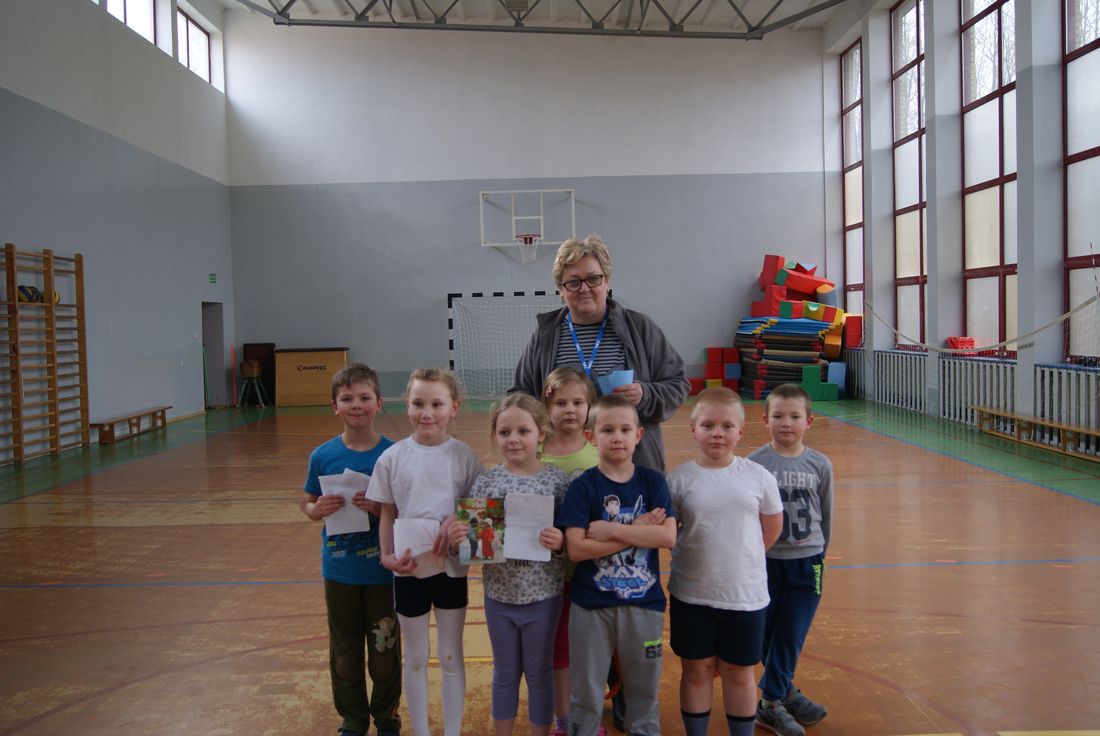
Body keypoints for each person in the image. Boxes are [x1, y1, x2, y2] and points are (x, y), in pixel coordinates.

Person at [366, 368, 484, 736]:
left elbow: (479, 511)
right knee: (416, 656)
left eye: (437, 404)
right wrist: (386, 556)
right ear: (407, 405)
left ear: (454, 407)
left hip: (451, 571)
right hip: (408, 571)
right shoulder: (392, 458)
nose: (427, 413)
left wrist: (459, 518)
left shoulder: (464, 456)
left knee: (450, 654)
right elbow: (387, 513)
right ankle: (421, 731)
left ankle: (451, 731)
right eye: (418, 404)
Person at [512, 234, 689, 473]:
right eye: (573, 282)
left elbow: (678, 384)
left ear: (607, 281)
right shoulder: (546, 335)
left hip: (630, 468)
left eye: (593, 278)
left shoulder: (639, 328)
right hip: (562, 468)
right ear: (561, 289)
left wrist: (645, 395)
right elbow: (520, 394)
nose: (584, 288)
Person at [447, 393, 569, 736]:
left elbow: (571, 538)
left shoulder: (557, 482)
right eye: (504, 432)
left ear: (541, 433)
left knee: (539, 673)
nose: (513, 439)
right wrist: (460, 540)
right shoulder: (487, 482)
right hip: (498, 597)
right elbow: (472, 547)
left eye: (523, 431)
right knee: (504, 673)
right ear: (495, 435)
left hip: (544, 597)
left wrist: (560, 542)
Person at [666, 387, 783, 736]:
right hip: (692, 595)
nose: (717, 433)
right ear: (693, 430)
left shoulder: (758, 476)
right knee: (696, 669)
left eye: (727, 426)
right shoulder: (679, 479)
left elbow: (772, 528)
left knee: (739, 671)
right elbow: (668, 531)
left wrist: (742, 560)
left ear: (740, 431)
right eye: (708, 425)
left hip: (744, 597)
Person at [558, 394, 677, 736]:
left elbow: (667, 536)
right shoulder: (583, 486)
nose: (617, 437)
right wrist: (639, 532)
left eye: (625, 429)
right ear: (591, 436)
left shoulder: (653, 482)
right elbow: (576, 549)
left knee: (644, 690)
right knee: (586, 693)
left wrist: (613, 530)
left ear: (638, 435)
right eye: (607, 430)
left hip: (644, 605)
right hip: (590, 607)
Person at [301, 363, 402, 736]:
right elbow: (307, 502)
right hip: (339, 572)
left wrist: (378, 508)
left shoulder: (393, 454)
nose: (356, 405)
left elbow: (405, 511)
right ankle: (353, 719)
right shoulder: (322, 455)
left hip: (382, 572)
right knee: (344, 653)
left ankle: (386, 718)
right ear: (335, 406)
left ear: (379, 403)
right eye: (347, 399)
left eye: (364, 397)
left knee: (384, 649)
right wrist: (316, 510)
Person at [748, 383, 835, 736]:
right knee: (766, 632)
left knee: (792, 631)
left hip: (807, 561)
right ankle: (786, 692)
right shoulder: (754, 464)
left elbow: (826, 514)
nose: (786, 423)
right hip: (766, 560)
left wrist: (820, 555)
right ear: (765, 419)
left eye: (795, 416)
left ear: (808, 421)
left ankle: (770, 701)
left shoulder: (820, 464)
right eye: (779, 416)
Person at [539, 367, 599, 736]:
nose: (570, 410)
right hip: (545, 575)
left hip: (590, 572)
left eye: (578, 402)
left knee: (590, 649)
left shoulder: (599, 453)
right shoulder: (535, 451)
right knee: (558, 650)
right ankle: (563, 720)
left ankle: (586, 714)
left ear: (589, 406)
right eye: (561, 403)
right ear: (547, 406)